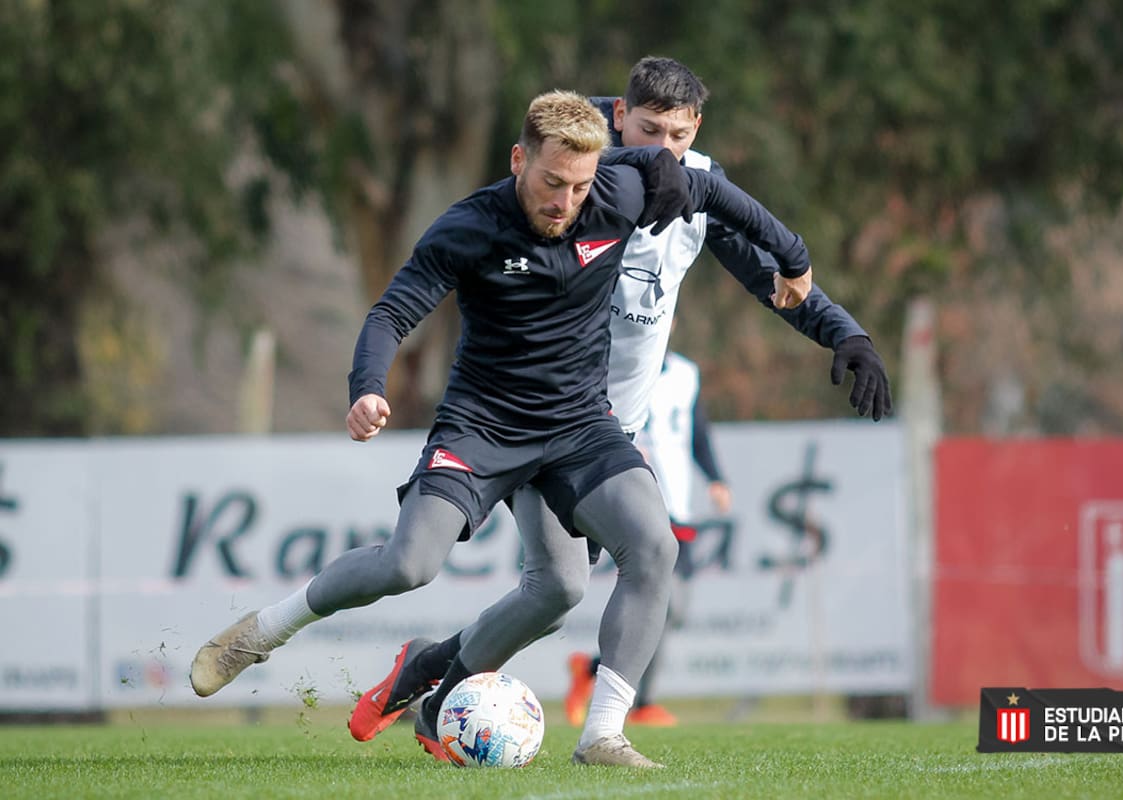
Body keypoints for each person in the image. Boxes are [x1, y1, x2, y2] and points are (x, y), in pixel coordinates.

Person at [189, 89, 817, 769]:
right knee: (409, 565)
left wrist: (794, 257)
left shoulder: (618, 191)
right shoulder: (471, 226)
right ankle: (260, 633)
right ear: (519, 159)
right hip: (483, 425)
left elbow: (720, 197)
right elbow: (389, 315)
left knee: (638, 554)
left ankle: (601, 734)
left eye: (579, 186)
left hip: (579, 424)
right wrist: (367, 389)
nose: (564, 201)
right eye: (550, 182)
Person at [348, 58, 889, 756]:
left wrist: (844, 331)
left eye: (679, 137)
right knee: (574, 578)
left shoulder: (698, 190)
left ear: (697, 132)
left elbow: (774, 277)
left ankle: (431, 672)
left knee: (553, 593)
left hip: (610, 430)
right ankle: (582, 728)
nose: (665, 150)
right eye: (647, 131)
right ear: (619, 120)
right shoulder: (585, 177)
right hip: (542, 413)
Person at [566, 346, 733, 727]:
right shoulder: (620, 361)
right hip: (639, 493)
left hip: (679, 502)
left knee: (677, 609)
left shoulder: (685, 373)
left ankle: (591, 670)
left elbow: (697, 432)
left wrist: (716, 478)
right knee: (662, 602)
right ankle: (641, 704)